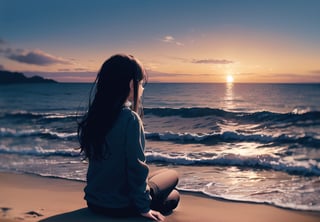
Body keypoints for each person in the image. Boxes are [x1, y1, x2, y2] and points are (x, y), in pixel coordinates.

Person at [77, 54, 180, 221]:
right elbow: (136, 168)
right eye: (140, 83)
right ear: (132, 84)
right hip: (121, 206)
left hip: (94, 201)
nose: (142, 88)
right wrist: (143, 208)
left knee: (160, 176)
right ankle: (148, 204)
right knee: (173, 182)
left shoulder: (96, 116)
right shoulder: (129, 119)